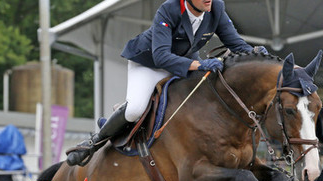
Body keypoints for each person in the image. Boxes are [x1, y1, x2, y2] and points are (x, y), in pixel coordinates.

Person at [66, 0, 267, 166]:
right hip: (149, 64)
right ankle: (94, 141)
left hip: (185, 64)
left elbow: (236, 44)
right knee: (135, 109)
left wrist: (260, 57)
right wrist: (199, 64)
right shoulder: (169, 9)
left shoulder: (216, 8)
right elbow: (161, 56)